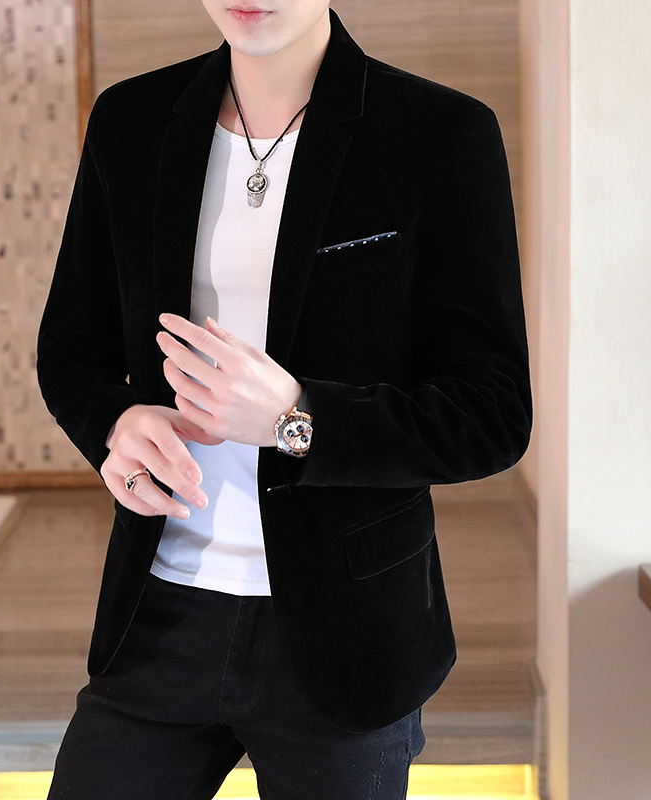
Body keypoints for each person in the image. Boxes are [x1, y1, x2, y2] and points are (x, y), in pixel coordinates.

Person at [36, 1, 531, 797]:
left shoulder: (440, 134)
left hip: (346, 637)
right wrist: (115, 424)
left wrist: (296, 421)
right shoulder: (129, 121)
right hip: (155, 616)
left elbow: (493, 415)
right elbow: (70, 346)